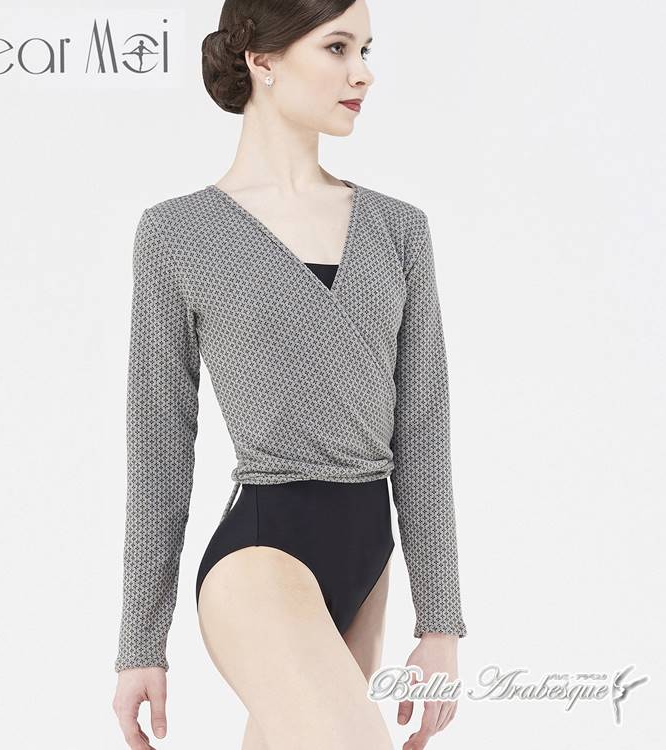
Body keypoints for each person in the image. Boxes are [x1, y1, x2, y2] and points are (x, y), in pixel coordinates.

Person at [112, 1, 467, 748]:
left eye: (366, 50)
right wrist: (141, 644)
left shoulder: (399, 229)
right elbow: (159, 447)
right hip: (259, 560)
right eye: (337, 48)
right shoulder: (178, 234)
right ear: (262, 59)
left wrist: (439, 624)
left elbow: (424, 430)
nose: (362, 74)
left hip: (366, 567)